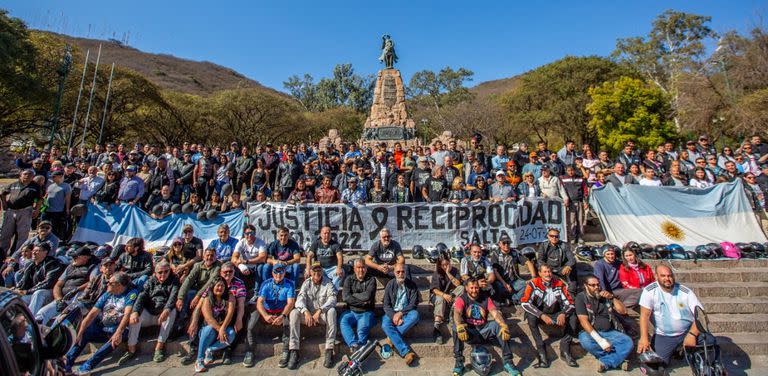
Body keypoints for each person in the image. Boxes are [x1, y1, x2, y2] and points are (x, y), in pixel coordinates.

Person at [637, 264, 715, 367]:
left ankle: (712, 365)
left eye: (670, 276)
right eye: (663, 276)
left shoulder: (685, 292)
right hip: (664, 335)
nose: (667, 279)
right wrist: (644, 338)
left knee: (710, 341)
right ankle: (678, 351)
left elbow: (700, 314)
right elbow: (644, 316)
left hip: (687, 332)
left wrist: (692, 334)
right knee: (656, 367)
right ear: (656, 277)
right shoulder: (649, 291)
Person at [64, 272, 138, 375]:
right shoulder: (107, 294)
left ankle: (87, 366)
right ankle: (67, 364)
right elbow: (91, 315)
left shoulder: (131, 293)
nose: (107, 284)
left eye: (110, 283)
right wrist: (80, 332)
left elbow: (127, 314)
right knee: (84, 333)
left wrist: (118, 332)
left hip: (118, 329)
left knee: (114, 339)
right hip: (102, 326)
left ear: (119, 285)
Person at [452, 277, 521, 376]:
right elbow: (457, 312)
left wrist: (503, 324)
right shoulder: (461, 299)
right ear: (466, 288)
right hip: (469, 332)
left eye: (476, 288)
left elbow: (495, 313)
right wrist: (459, 325)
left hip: (484, 330)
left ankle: (508, 362)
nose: (474, 290)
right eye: (471, 288)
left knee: (499, 326)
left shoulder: (485, 298)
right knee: (455, 327)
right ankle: (459, 363)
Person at [187, 262, 247, 365]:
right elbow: (200, 305)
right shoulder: (214, 283)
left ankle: (225, 351)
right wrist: (193, 322)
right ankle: (195, 351)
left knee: (240, 321)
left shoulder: (238, 283)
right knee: (202, 322)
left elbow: (241, 304)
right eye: (225, 272)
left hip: (228, 315)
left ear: (234, 272)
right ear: (220, 272)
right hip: (212, 316)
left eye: (230, 271)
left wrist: (238, 319)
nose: (228, 274)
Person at [520, 264, 578, 368]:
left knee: (573, 315)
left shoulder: (559, 284)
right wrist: (541, 315)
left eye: (549, 272)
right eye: (545, 272)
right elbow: (525, 303)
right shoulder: (534, 284)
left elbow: (570, 303)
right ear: (540, 273)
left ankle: (565, 349)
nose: (548, 274)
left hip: (556, 313)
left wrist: (563, 313)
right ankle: (542, 354)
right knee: (530, 317)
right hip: (541, 313)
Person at [575, 275, 632, 372]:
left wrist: (612, 298)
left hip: (610, 332)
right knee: (585, 341)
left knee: (628, 342)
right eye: (592, 285)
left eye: (598, 285)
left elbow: (623, 311)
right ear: (586, 286)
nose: (596, 287)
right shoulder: (581, 297)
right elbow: (583, 321)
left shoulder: (605, 296)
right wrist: (600, 341)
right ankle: (618, 360)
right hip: (591, 333)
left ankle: (606, 362)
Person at [243, 264, 296, 368]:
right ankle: (250, 351)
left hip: (281, 311)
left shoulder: (290, 284)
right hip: (267, 311)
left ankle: (286, 351)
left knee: (288, 320)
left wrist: (283, 315)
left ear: (284, 273)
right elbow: (259, 302)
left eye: (281, 272)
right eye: (276, 272)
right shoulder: (266, 283)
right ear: (272, 273)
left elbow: (290, 303)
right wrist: (266, 315)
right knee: (252, 323)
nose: (278, 274)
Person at [126, 261, 180, 363]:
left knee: (171, 311)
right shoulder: (150, 281)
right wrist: (135, 311)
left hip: (163, 313)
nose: (163, 274)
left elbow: (173, 296)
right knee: (135, 316)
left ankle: (159, 347)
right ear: (155, 273)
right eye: (160, 272)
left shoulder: (174, 281)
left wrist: (167, 309)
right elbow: (142, 296)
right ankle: (131, 348)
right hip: (150, 312)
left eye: (166, 271)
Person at [288, 261, 338, 369]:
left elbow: (333, 299)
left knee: (332, 311)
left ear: (322, 271)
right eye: (314, 270)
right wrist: (306, 312)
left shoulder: (328, 283)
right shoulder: (306, 283)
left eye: (319, 270)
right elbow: (299, 301)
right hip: (308, 316)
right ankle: (294, 350)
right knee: (294, 313)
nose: (317, 272)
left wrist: (320, 311)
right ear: (310, 272)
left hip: (321, 315)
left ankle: (329, 349)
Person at [35, 246, 95, 325]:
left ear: (85, 257)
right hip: (63, 298)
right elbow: (58, 285)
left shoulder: (93, 267)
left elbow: (93, 281)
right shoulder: (70, 267)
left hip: (76, 299)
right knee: (41, 314)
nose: (73, 259)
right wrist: (59, 299)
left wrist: (77, 289)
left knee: (60, 320)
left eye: (75, 257)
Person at [193, 276, 236, 372]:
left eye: (222, 286)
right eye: (218, 286)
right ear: (213, 286)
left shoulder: (230, 297)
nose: (220, 288)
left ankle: (210, 350)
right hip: (209, 330)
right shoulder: (207, 298)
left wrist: (223, 328)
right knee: (209, 329)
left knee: (232, 334)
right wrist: (219, 329)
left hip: (223, 328)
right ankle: (199, 360)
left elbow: (230, 314)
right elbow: (208, 318)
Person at [381, 262, 421, 366]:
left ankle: (391, 338)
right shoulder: (390, 284)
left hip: (406, 313)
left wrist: (401, 313)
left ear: (406, 272)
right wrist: (394, 315)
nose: (400, 274)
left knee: (415, 315)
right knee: (385, 324)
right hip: (392, 313)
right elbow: (386, 305)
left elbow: (413, 304)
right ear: (394, 273)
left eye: (402, 271)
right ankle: (406, 352)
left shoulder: (412, 285)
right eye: (398, 272)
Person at [14, 242, 64, 315]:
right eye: (33, 250)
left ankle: (30, 320)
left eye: (37, 251)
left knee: (39, 293)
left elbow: (48, 283)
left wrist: (27, 292)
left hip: (49, 292)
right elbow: (23, 280)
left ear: (45, 252)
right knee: (17, 299)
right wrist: (17, 289)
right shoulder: (30, 264)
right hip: (32, 292)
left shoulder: (53, 264)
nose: (34, 253)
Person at [339, 257, 377, 353]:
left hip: (366, 312)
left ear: (366, 268)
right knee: (343, 321)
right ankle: (353, 345)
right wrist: (362, 303)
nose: (361, 270)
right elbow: (345, 297)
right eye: (358, 267)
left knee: (361, 332)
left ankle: (360, 350)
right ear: (354, 268)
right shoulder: (349, 279)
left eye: (363, 267)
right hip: (351, 311)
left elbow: (367, 296)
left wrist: (353, 296)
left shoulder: (371, 279)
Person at [0, 169, 41, 257]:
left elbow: (40, 199)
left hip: (25, 211)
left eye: (30, 175)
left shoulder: (35, 186)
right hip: (11, 211)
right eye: (25, 174)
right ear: (20, 175)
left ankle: (17, 255)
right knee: (5, 233)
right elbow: (3, 193)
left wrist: (37, 210)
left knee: (22, 235)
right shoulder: (13, 184)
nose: (27, 176)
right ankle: (2, 254)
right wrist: (4, 204)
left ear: (33, 177)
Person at [176, 248, 222, 325]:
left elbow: (210, 283)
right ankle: (181, 322)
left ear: (216, 257)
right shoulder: (198, 265)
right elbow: (189, 280)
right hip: (198, 290)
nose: (209, 257)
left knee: (203, 300)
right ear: (204, 256)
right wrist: (180, 297)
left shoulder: (218, 266)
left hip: (211, 292)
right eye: (207, 255)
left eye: (212, 255)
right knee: (186, 295)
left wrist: (198, 295)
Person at [491, 235, 535, 306]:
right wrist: (504, 284)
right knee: (496, 285)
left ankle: (513, 300)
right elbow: (495, 271)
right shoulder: (495, 254)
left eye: (508, 243)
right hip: (501, 281)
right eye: (504, 243)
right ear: (499, 244)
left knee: (528, 284)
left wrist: (533, 277)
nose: (506, 245)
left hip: (514, 281)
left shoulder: (515, 252)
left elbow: (528, 262)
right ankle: (512, 300)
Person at [429, 251, 462, 344]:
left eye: (447, 264)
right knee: (440, 298)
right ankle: (437, 327)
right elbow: (434, 290)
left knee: (462, 288)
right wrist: (444, 295)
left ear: (449, 262)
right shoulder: (437, 273)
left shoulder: (454, 271)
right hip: (438, 296)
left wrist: (448, 273)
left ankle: (452, 312)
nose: (445, 267)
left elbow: (458, 285)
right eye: (443, 265)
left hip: (451, 296)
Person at [231, 224, 268, 292]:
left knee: (260, 267)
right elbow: (233, 258)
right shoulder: (241, 242)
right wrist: (241, 266)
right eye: (247, 233)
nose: (249, 235)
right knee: (233, 267)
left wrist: (247, 261)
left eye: (252, 233)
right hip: (245, 265)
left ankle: (257, 291)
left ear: (255, 233)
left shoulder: (260, 242)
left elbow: (262, 257)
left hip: (257, 265)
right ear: (244, 234)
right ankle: (238, 289)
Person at [43, 168, 72, 240]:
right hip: (47, 209)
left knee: (54, 227)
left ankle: (53, 240)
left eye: (54, 177)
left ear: (60, 176)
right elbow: (46, 196)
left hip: (57, 210)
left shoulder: (66, 186)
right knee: (44, 225)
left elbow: (68, 198)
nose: (52, 178)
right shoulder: (51, 185)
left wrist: (67, 209)